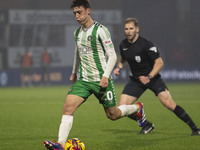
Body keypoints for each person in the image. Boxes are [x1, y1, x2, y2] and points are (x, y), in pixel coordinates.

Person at [43, 1, 144, 149]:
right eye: (75, 13)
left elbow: (113, 56)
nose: (77, 16)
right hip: (84, 80)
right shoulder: (77, 33)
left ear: (88, 11)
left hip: (101, 80)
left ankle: (137, 108)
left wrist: (105, 76)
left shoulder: (101, 30)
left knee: (113, 115)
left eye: (80, 12)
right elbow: (77, 53)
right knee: (68, 107)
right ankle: (60, 144)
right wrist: (73, 72)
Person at [113, 18, 200, 136]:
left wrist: (149, 76)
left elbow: (159, 62)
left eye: (131, 29)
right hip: (137, 80)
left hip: (153, 78)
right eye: (126, 29)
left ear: (137, 29)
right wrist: (119, 67)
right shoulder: (123, 44)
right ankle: (147, 125)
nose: (128, 31)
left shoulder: (146, 44)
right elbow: (123, 59)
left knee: (169, 104)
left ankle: (195, 128)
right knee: (122, 108)